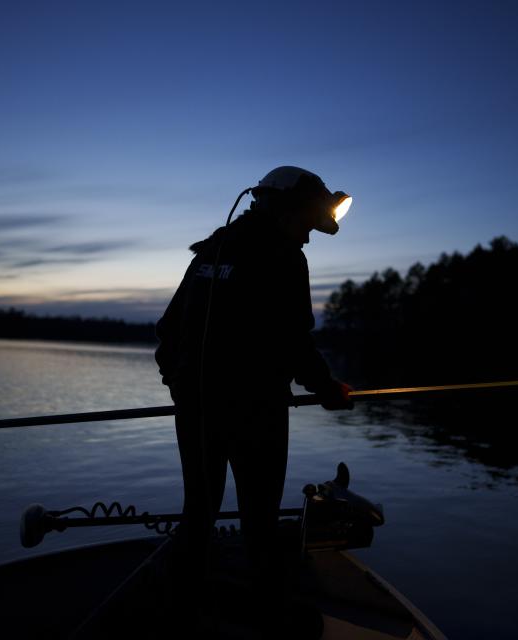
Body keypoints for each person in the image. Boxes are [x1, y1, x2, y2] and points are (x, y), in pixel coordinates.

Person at [154, 166, 354, 619]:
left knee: (199, 513)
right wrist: (327, 390)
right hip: (255, 412)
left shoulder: (212, 249)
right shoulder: (283, 257)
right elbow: (295, 342)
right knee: (259, 522)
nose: (307, 238)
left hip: (196, 408)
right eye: (306, 225)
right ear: (286, 210)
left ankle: (177, 613)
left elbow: (167, 330)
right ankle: (270, 621)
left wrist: (181, 384)